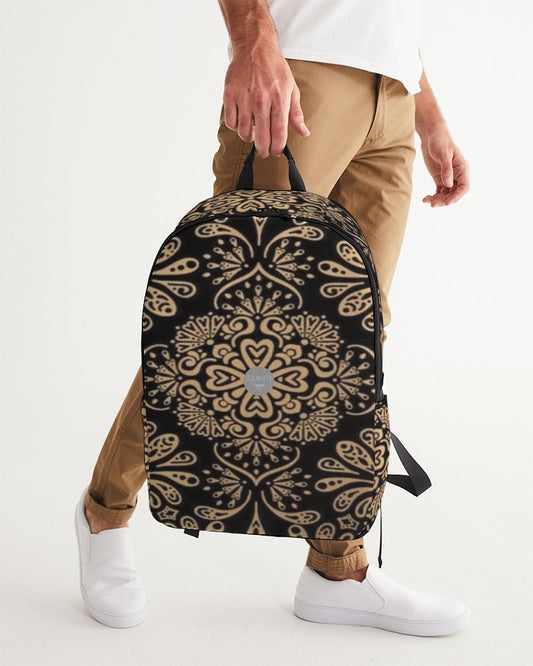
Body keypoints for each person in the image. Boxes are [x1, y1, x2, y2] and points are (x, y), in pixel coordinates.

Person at [75, 0, 470, 635]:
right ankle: (105, 514)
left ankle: (337, 570)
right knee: (225, 320)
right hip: (299, 70)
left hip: (393, 90)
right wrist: (252, 43)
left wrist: (427, 113)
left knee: (352, 335)